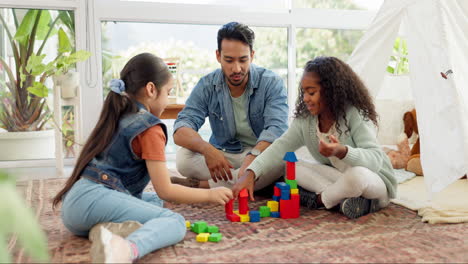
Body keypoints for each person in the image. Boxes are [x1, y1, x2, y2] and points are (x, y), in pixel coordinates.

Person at [52, 53, 233, 263]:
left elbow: (160, 195)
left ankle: (106, 231)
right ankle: (126, 250)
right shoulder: (150, 128)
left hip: (76, 206)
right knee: (174, 221)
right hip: (91, 201)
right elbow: (166, 189)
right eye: (168, 92)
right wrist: (210, 195)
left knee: (157, 203)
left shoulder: (120, 114)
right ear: (151, 89)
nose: (167, 99)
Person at [232, 56, 397, 219]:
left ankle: (319, 200)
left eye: (311, 92)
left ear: (332, 91)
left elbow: (375, 160)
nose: (305, 99)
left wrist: (343, 152)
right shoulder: (306, 120)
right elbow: (280, 147)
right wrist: (251, 172)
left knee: (356, 175)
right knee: (293, 168)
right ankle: (346, 201)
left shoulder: (354, 114)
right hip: (339, 179)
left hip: (373, 182)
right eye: (304, 92)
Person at [172, 22, 289, 191]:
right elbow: (181, 129)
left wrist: (253, 157)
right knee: (183, 158)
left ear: (252, 55)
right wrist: (208, 150)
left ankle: (203, 185)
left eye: (243, 60)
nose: (237, 68)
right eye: (229, 60)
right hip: (226, 154)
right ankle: (250, 181)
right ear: (218, 56)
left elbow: (277, 129)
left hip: (260, 152)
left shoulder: (271, 82)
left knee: (282, 160)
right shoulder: (207, 85)